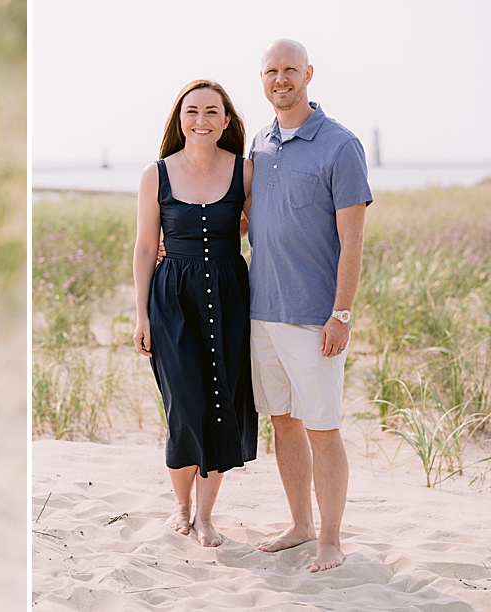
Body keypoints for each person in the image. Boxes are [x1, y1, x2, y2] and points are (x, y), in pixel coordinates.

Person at [247, 39, 371, 573]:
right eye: (272, 71)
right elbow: (251, 222)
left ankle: (330, 540)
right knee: (283, 423)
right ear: (263, 78)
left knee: (323, 429)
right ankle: (299, 526)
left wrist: (341, 314)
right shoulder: (259, 144)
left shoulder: (340, 146)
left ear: (309, 74)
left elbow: (352, 242)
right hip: (261, 313)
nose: (281, 79)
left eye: (290, 70)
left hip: (315, 318)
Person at [133, 79, 258, 548]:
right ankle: (181, 506)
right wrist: (141, 315)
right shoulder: (156, 174)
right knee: (183, 405)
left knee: (221, 405)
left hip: (229, 300)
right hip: (171, 302)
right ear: (179, 119)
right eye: (192, 112)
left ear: (226, 121)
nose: (201, 120)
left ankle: (205, 516)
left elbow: (261, 228)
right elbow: (146, 247)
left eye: (211, 112)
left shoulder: (246, 172)